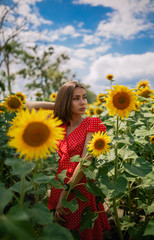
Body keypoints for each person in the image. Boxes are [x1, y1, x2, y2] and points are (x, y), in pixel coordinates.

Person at [26, 81, 110, 240]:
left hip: (79, 187)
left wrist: (63, 198)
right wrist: (59, 105)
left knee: (80, 231)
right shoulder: (60, 125)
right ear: (66, 101)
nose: (83, 102)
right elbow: (30, 106)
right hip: (59, 184)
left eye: (84, 97)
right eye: (76, 98)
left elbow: (84, 163)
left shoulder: (91, 123)